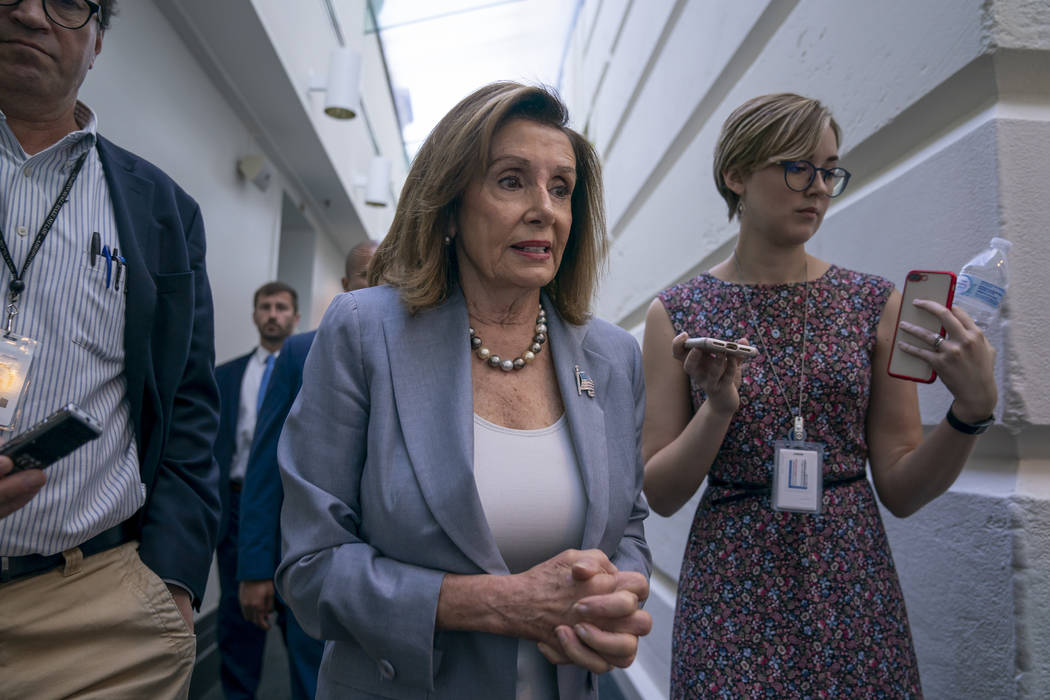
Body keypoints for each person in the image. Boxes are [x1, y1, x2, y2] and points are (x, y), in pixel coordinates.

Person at [276, 82, 653, 699]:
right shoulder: (364, 332)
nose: (545, 209)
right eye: (511, 181)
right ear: (449, 208)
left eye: (561, 188)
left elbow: (628, 528)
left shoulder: (611, 355)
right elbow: (311, 569)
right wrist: (499, 604)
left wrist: (620, 593)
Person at [641, 93, 998, 697]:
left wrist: (970, 413)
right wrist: (720, 410)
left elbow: (902, 487)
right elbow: (662, 491)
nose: (818, 187)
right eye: (797, 167)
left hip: (851, 580)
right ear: (736, 175)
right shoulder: (676, 314)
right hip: (732, 584)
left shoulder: (875, 304)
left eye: (829, 169)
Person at [0, 0, 221, 697]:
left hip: (93, 615)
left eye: (66, 2)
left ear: (97, 41)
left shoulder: (162, 209)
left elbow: (188, 399)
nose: (31, 14)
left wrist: (174, 581)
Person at [237, 240, 377, 700]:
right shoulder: (300, 353)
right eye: (365, 275)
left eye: (391, 273)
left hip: (397, 571)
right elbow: (264, 468)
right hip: (318, 561)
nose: (378, 284)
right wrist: (256, 568)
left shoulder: (428, 352)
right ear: (345, 286)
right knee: (312, 682)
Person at [214, 281, 299, 699]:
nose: (273, 314)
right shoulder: (226, 376)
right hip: (235, 507)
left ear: (295, 318)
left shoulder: (312, 369)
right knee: (237, 619)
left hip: (293, 508)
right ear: (254, 316)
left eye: (281, 307)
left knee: (300, 624)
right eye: (265, 307)